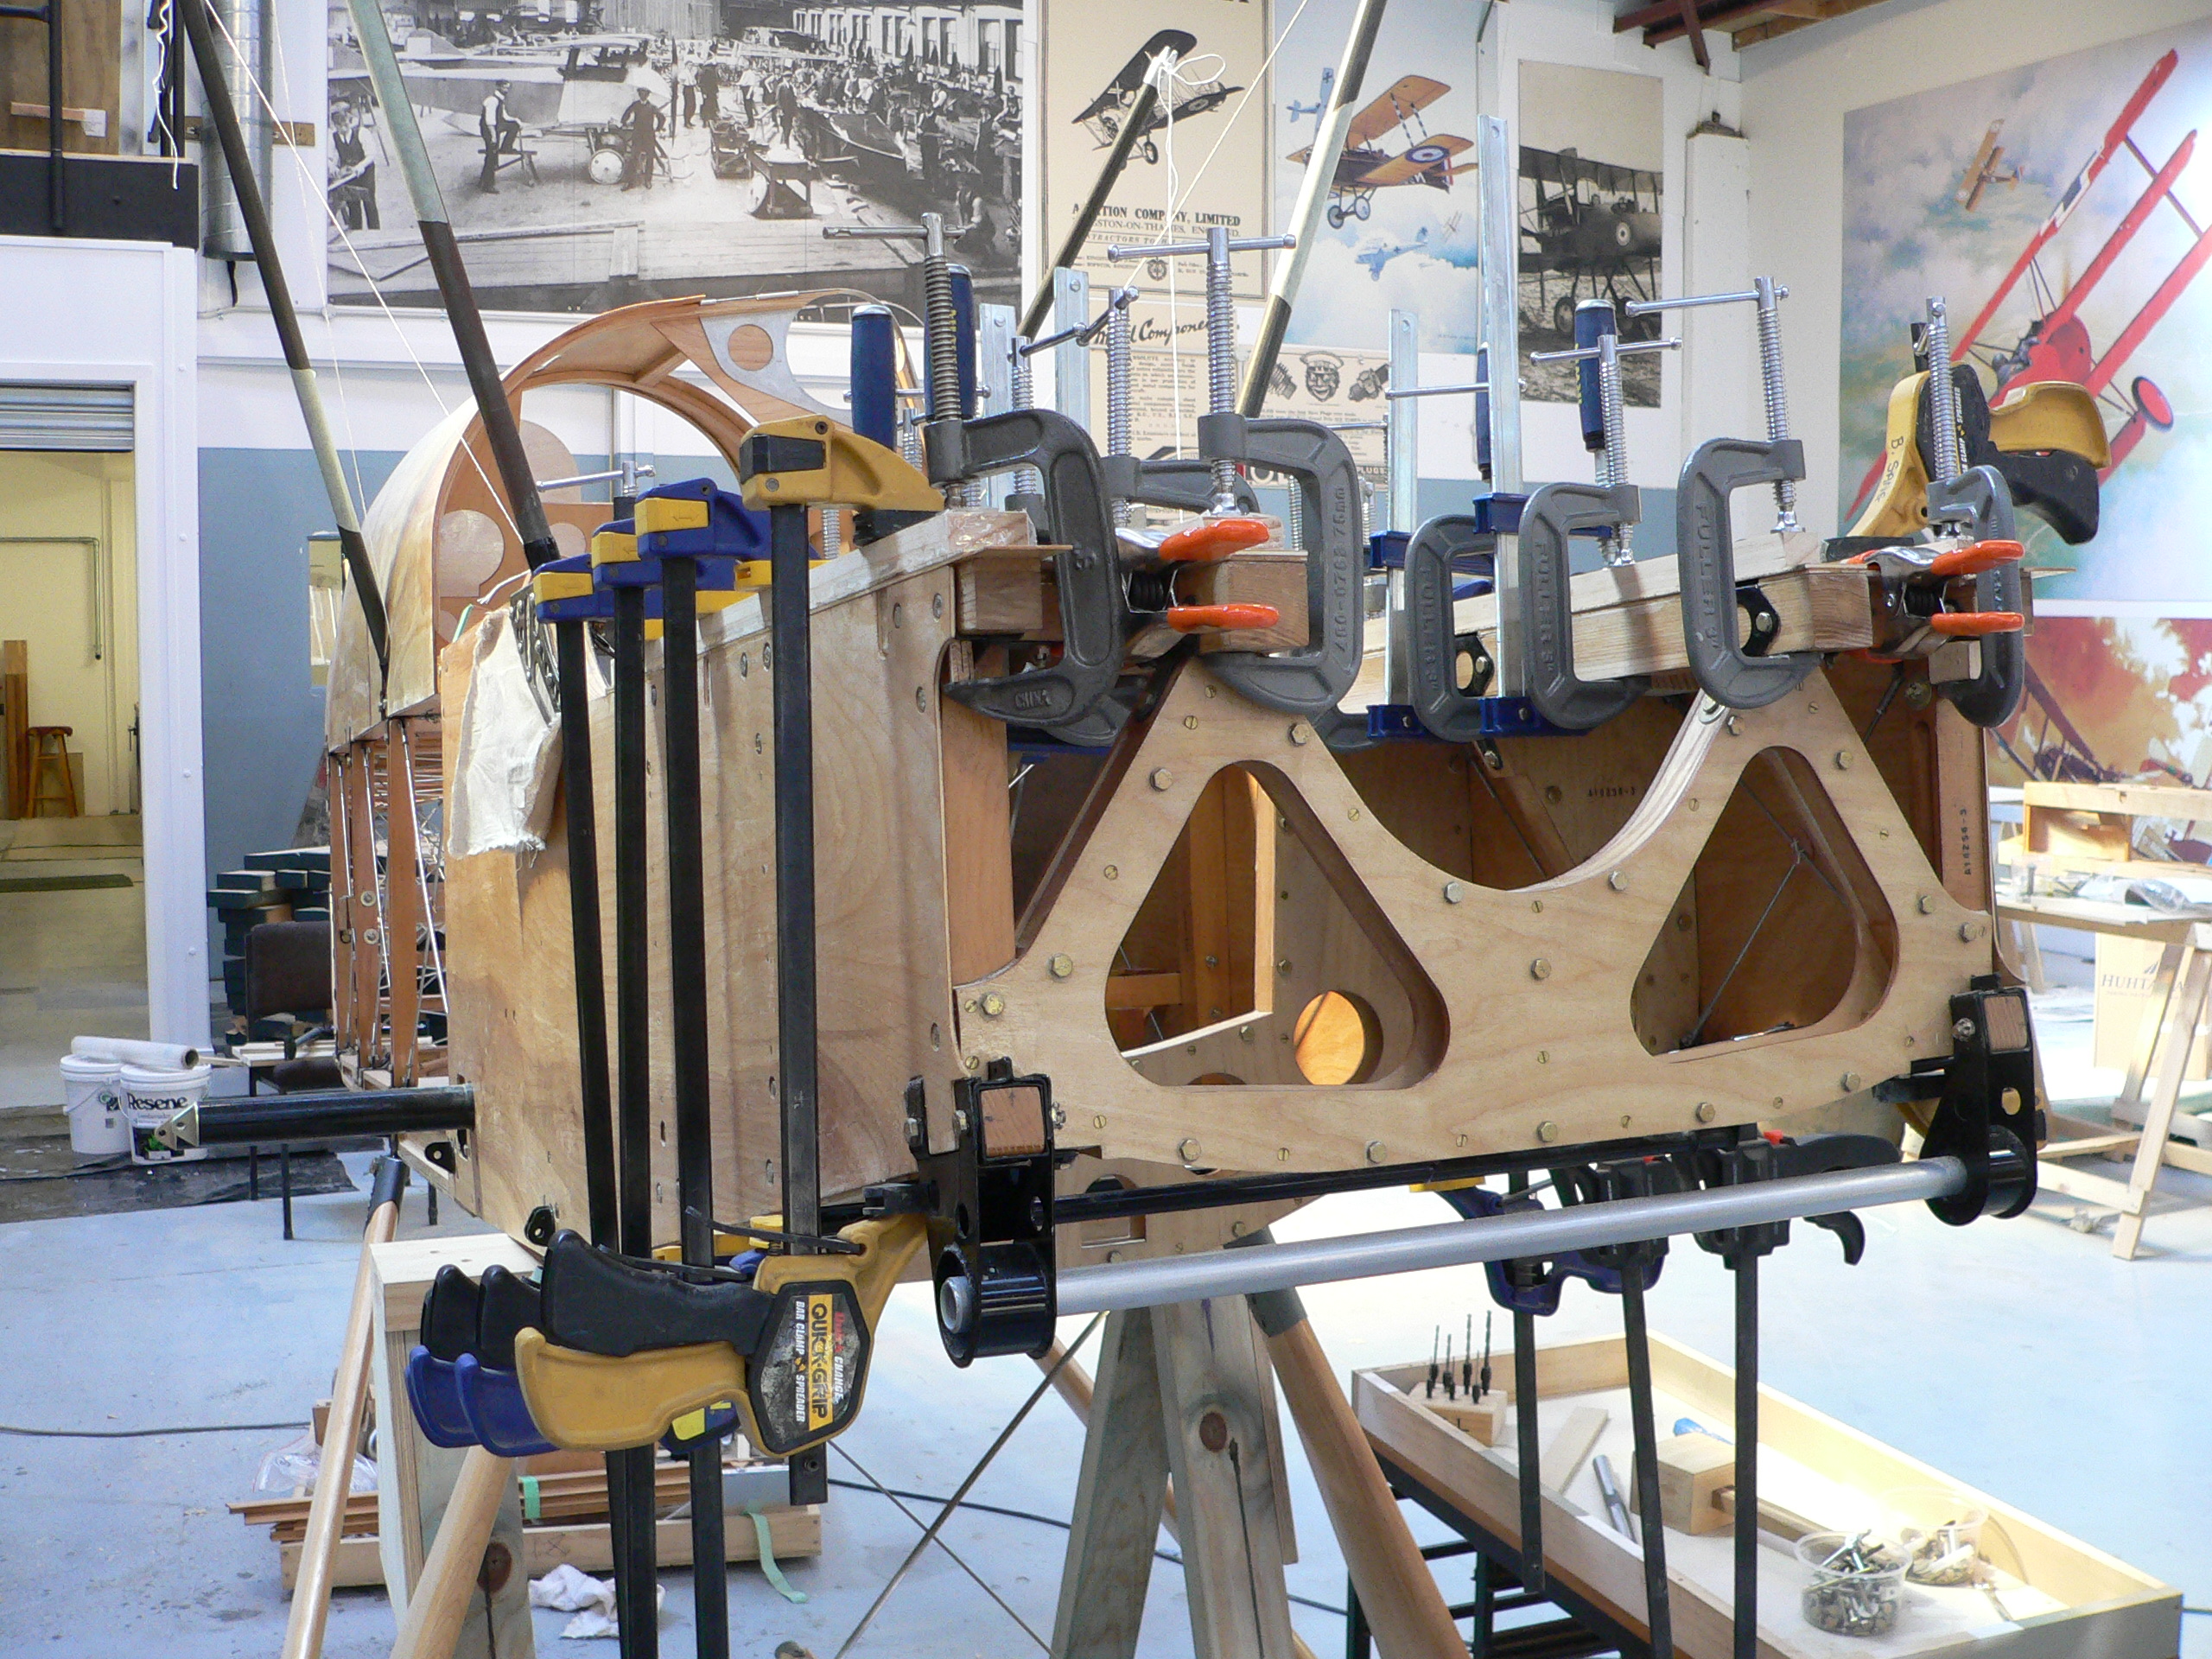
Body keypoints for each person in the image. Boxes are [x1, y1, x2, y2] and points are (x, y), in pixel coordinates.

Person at [327, 100, 378, 228]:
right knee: (353, 206)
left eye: (345, 124)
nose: (343, 129)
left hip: (365, 172)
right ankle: (356, 232)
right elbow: (328, 157)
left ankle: (375, 232)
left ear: (349, 121)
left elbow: (371, 154)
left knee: (369, 204)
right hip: (349, 174)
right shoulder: (333, 138)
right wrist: (333, 167)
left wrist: (361, 166)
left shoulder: (361, 133)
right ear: (335, 126)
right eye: (339, 126)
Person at [477, 81, 519, 193]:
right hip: (489, 129)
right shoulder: (492, 100)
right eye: (505, 88)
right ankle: (487, 185)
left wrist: (516, 120)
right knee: (492, 155)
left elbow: (504, 116)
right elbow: (489, 120)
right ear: (499, 87)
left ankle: (506, 147)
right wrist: (493, 137)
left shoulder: (500, 100)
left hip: (496, 126)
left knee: (514, 126)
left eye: (508, 88)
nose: (506, 90)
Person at [620, 84, 662, 190]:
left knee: (650, 157)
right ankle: (630, 182)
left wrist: (658, 128)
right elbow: (626, 113)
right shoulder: (635, 105)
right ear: (639, 94)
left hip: (649, 136)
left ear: (648, 95)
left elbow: (661, 118)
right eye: (641, 93)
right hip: (637, 135)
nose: (643, 95)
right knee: (633, 157)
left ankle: (648, 180)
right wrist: (624, 122)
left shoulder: (652, 107)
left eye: (645, 94)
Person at [696, 57, 720, 125]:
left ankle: (710, 118)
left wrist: (716, 91)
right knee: (707, 105)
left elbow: (714, 83)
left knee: (711, 104)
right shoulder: (707, 72)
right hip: (708, 92)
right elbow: (703, 83)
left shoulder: (710, 72)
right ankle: (706, 120)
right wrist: (704, 92)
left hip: (711, 92)